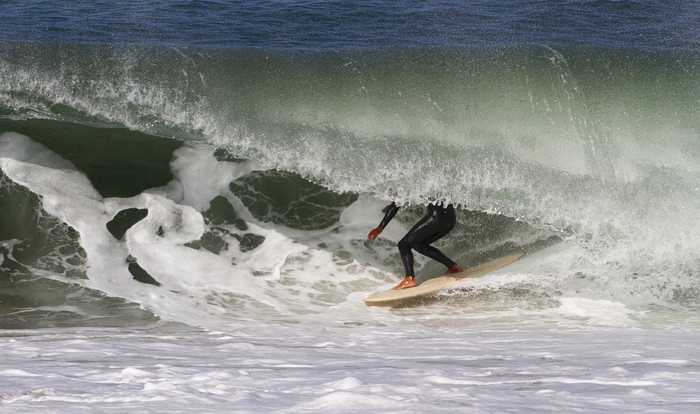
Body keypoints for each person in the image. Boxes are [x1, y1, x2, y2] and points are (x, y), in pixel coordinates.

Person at [368, 202, 463, 289]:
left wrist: (380, 227)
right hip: (450, 220)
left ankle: (409, 278)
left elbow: (397, 203)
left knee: (404, 244)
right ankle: (453, 267)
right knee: (418, 244)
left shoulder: (408, 183)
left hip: (436, 219)